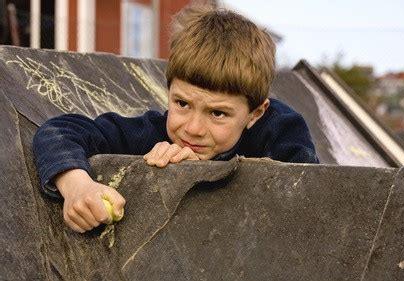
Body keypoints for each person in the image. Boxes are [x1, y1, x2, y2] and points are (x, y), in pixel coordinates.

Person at [33, 4, 319, 233]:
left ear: (255, 113)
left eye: (217, 113)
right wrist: (76, 186)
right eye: (182, 103)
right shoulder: (155, 131)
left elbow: (306, 200)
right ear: (168, 91)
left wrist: (208, 171)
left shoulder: (282, 130)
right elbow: (60, 131)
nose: (192, 129)